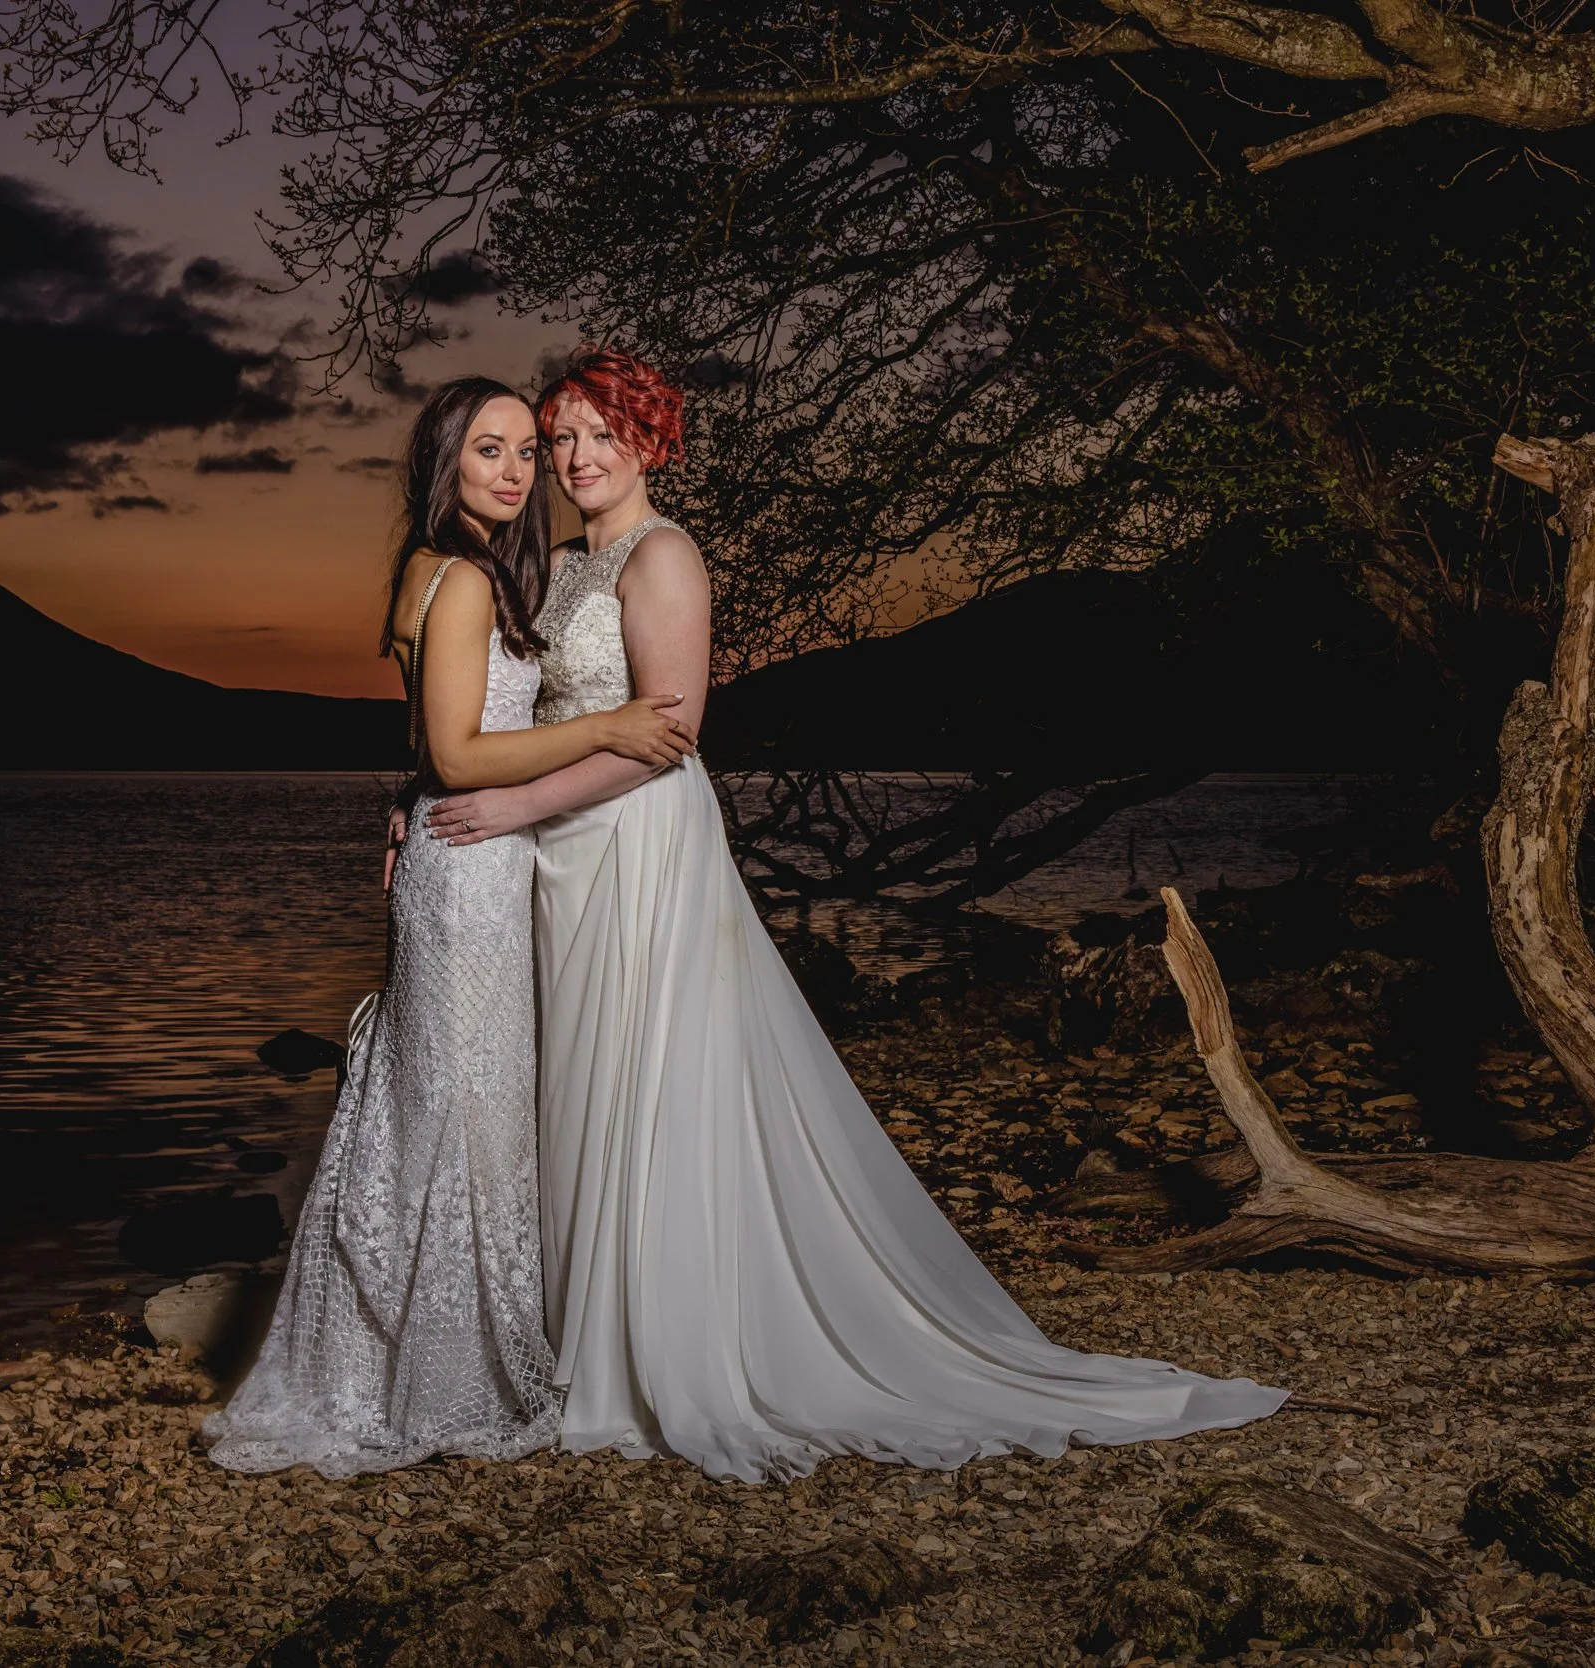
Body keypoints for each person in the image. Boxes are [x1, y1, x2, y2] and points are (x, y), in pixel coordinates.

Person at [426, 349, 1287, 1481]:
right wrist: (448, 806)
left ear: (652, 440)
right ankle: (570, 1329)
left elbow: (668, 736)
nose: (577, 457)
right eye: (561, 435)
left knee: (648, 1073)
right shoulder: (560, 567)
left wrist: (511, 804)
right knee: (577, 1075)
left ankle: (660, 1343)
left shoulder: (663, 552)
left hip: (636, 844)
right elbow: (505, 710)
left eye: (601, 432)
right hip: (558, 855)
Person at [205, 376, 693, 1477]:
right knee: (464, 1112)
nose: (521, 472)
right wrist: (609, 724)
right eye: (493, 451)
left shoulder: (430, 573)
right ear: (447, 464)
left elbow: (434, 748)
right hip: (470, 865)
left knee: (439, 1104)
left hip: (455, 856)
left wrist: (413, 797)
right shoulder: (467, 579)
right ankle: (447, 1378)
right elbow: (460, 757)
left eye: (530, 450)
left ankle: (405, 1359)